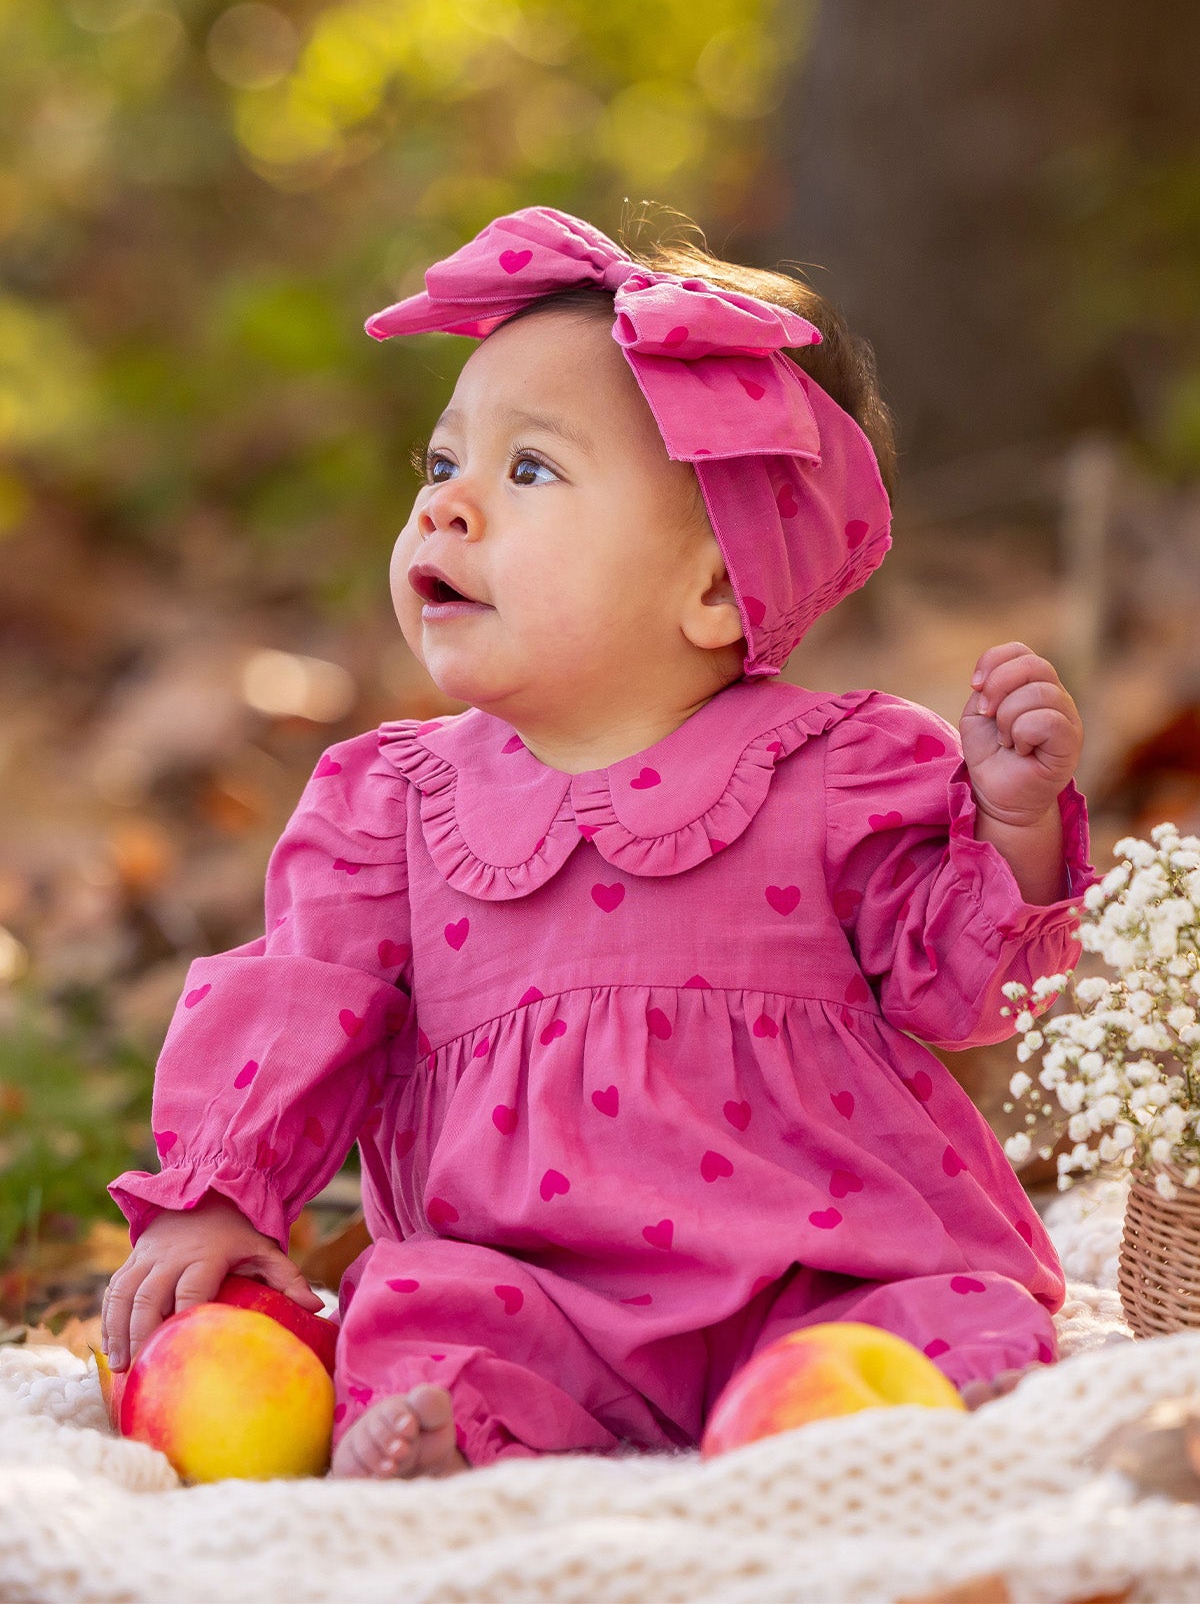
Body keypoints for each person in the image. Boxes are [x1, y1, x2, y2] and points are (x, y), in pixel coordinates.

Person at [102, 206, 1097, 1481]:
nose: (447, 506)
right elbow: (298, 1004)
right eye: (440, 462)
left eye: (529, 471)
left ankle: (920, 1413)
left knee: (950, 1315)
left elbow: (968, 992)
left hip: (819, 1262)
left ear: (717, 587)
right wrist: (215, 1196)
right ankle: (452, 1437)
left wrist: (1009, 825)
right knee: (420, 1317)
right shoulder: (390, 803)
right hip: (539, 1283)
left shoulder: (840, 767)